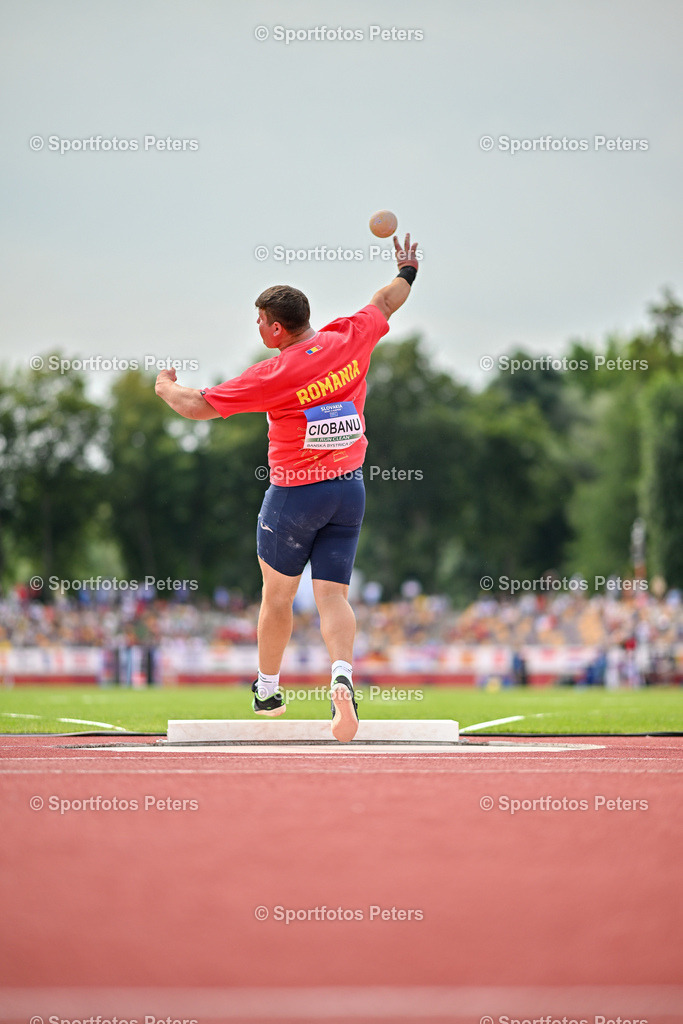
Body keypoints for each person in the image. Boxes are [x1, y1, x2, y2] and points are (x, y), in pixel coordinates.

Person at [154, 233, 419, 742]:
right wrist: (407, 271)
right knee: (334, 597)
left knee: (277, 597)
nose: (256, 327)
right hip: (349, 490)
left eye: (258, 321)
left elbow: (195, 406)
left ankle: (269, 689)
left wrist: (165, 385)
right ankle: (341, 677)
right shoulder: (348, 337)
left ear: (277, 328)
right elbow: (387, 300)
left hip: (296, 495)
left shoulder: (274, 372)